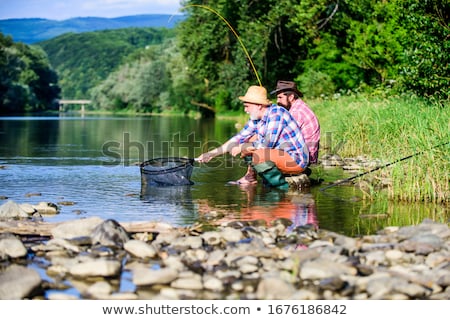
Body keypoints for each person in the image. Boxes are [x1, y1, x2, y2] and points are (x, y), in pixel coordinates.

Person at [196, 85, 309, 189]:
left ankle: (282, 188)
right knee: (248, 142)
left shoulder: (276, 114)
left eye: (247, 106)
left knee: (257, 153)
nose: (245, 110)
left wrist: (242, 147)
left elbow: (266, 144)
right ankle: (252, 179)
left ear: (259, 106)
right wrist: (212, 153)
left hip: (296, 159)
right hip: (279, 155)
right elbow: (238, 138)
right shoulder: (256, 118)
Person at [271, 80, 320, 164]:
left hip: (305, 158)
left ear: (291, 97)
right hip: (307, 155)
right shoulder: (299, 106)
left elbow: (282, 137)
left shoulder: (296, 112)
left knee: (261, 152)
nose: (277, 101)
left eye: (280, 97)